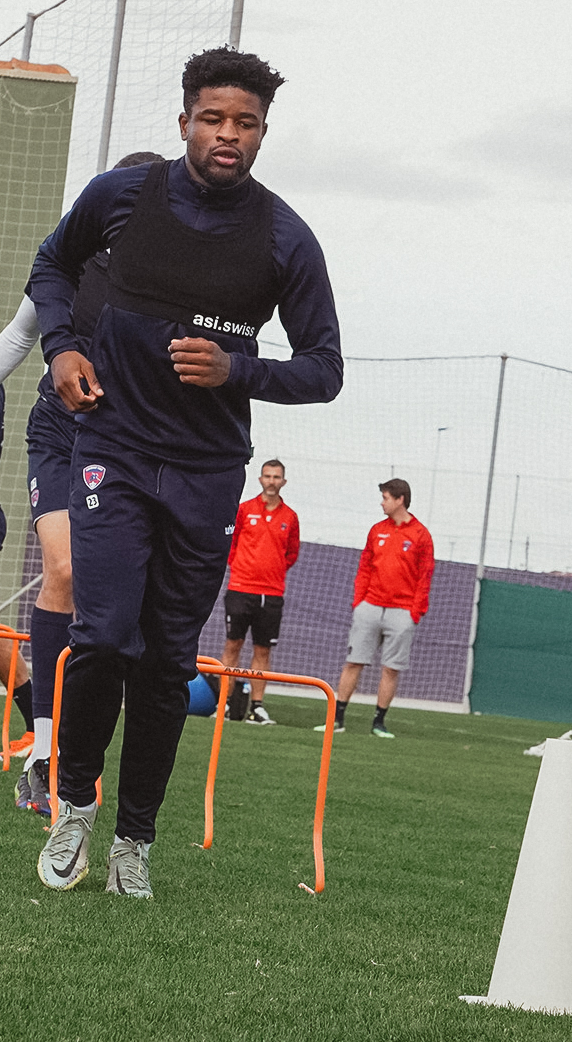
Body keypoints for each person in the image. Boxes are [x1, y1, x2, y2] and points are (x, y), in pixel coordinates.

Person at [29, 47, 342, 898]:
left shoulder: (284, 238)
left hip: (206, 472)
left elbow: (324, 368)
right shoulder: (121, 196)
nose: (228, 135)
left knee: (167, 660)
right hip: (114, 451)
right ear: (184, 124)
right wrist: (62, 349)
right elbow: (51, 268)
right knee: (101, 637)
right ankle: (75, 808)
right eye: (214, 119)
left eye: (245, 123)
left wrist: (238, 371)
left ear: (263, 134)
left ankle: (136, 839)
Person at [0, 151, 165, 816]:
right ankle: (45, 746)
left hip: (129, 444)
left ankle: (87, 735)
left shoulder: (177, 278)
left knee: (121, 607)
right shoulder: (71, 261)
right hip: (61, 434)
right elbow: (16, 340)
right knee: (67, 568)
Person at [320, 478, 434, 739]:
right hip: (369, 606)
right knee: (353, 662)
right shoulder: (376, 530)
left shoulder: (421, 535)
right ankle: (337, 720)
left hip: (402, 612)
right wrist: (359, 602)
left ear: (399, 500)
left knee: (391, 669)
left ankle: (379, 723)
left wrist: (414, 613)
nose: (382, 503)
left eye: (385, 498)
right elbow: (364, 568)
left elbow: (425, 576)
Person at [218, 458, 300, 725]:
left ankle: (257, 707)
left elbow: (291, 554)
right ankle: (225, 705)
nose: (272, 482)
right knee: (233, 645)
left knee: (262, 650)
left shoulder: (290, 517)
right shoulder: (244, 510)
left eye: (277, 477)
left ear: (283, 482)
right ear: (260, 479)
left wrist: (271, 572)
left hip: (272, 594)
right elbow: (231, 546)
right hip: (240, 589)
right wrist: (244, 569)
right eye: (267, 476)